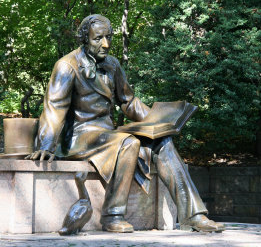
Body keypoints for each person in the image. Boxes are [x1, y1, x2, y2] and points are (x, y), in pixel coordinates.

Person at [27, 14, 224, 233]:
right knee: (128, 142)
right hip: (79, 136)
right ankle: (112, 215)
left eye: (109, 37)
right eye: (98, 38)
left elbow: (128, 102)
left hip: (106, 134)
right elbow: (55, 108)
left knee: (163, 141)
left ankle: (194, 215)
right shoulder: (67, 66)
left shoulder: (112, 64)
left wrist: (159, 122)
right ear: (85, 39)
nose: (106, 44)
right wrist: (45, 144)